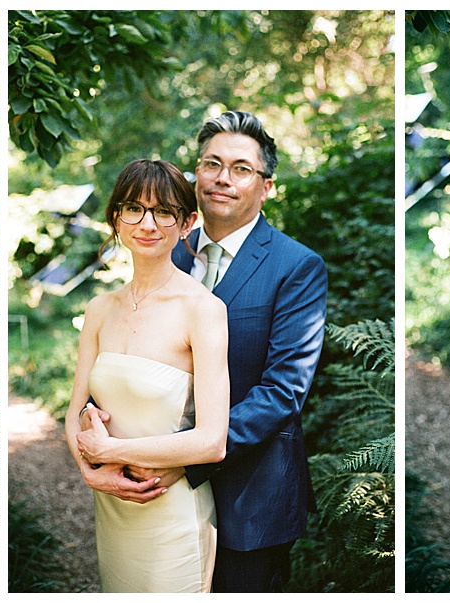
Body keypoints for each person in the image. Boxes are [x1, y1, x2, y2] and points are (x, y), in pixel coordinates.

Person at [78, 111, 328, 592]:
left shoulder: (296, 266)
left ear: (266, 186)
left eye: (241, 168)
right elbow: (124, 352)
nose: (222, 179)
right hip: (145, 495)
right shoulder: (161, 245)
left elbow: (284, 391)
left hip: (249, 496)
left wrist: (184, 457)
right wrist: (98, 439)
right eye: (211, 164)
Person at [66, 159, 230, 592]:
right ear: (116, 218)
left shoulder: (204, 310)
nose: (147, 223)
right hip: (112, 505)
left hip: (171, 510)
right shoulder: (100, 309)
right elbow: (74, 411)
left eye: (163, 211)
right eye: (133, 208)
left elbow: (211, 442)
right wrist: (91, 471)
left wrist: (111, 449)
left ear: (187, 222)